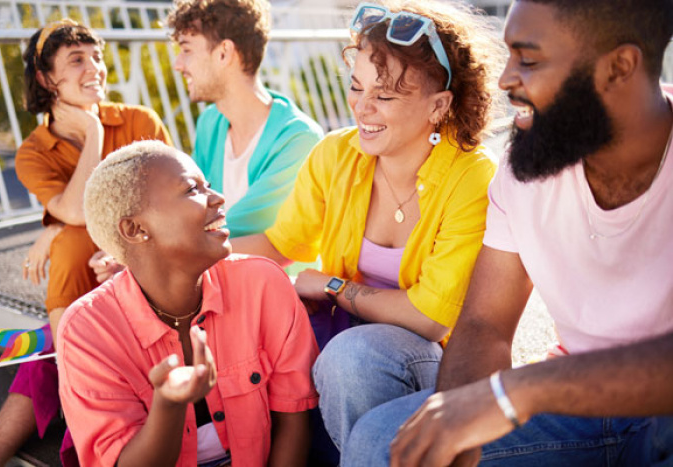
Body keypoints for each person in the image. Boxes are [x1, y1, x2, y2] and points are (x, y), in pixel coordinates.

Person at [342, 0, 673, 465]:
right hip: (573, 410)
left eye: (530, 60)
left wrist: (515, 392)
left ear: (619, 67)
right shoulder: (527, 166)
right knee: (381, 441)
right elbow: (485, 324)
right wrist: (454, 425)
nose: (505, 81)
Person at [230, 0, 502, 459]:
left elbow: (430, 320)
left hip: (439, 363)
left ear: (439, 105)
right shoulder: (335, 154)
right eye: (357, 87)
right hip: (342, 343)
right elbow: (278, 244)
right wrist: (178, 256)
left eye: (386, 96)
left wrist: (333, 286)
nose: (362, 108)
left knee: (354, 357)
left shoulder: (472, 176)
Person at [0, 20, 171, 466]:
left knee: (51, 341)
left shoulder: (141, 121)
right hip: (87, 298)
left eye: (96, 57)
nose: (94, 68)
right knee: (47, 356)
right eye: (77, 60)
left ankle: (68, 362)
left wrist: (119, 250)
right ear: (46, 79)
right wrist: (94, 134)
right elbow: (80, 211)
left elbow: (177, 206)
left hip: (149, 275)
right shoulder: (34, 151)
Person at [57, 140, 319, 466]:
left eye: (207, 184)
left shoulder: (264, 283)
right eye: (192, 189)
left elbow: (293, 424)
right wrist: (169, 404)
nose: (218, 198)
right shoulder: (87, 331)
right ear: (135, 229)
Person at [88, 0, 324, 280]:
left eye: (186, 50)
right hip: (211, 280)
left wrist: (148, 258)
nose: (178, 64)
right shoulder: (211, 123)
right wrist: (133, 252)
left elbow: (272, 245)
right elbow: (189, 213)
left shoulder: (299, 139)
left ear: (224, 53)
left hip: (273, 291)